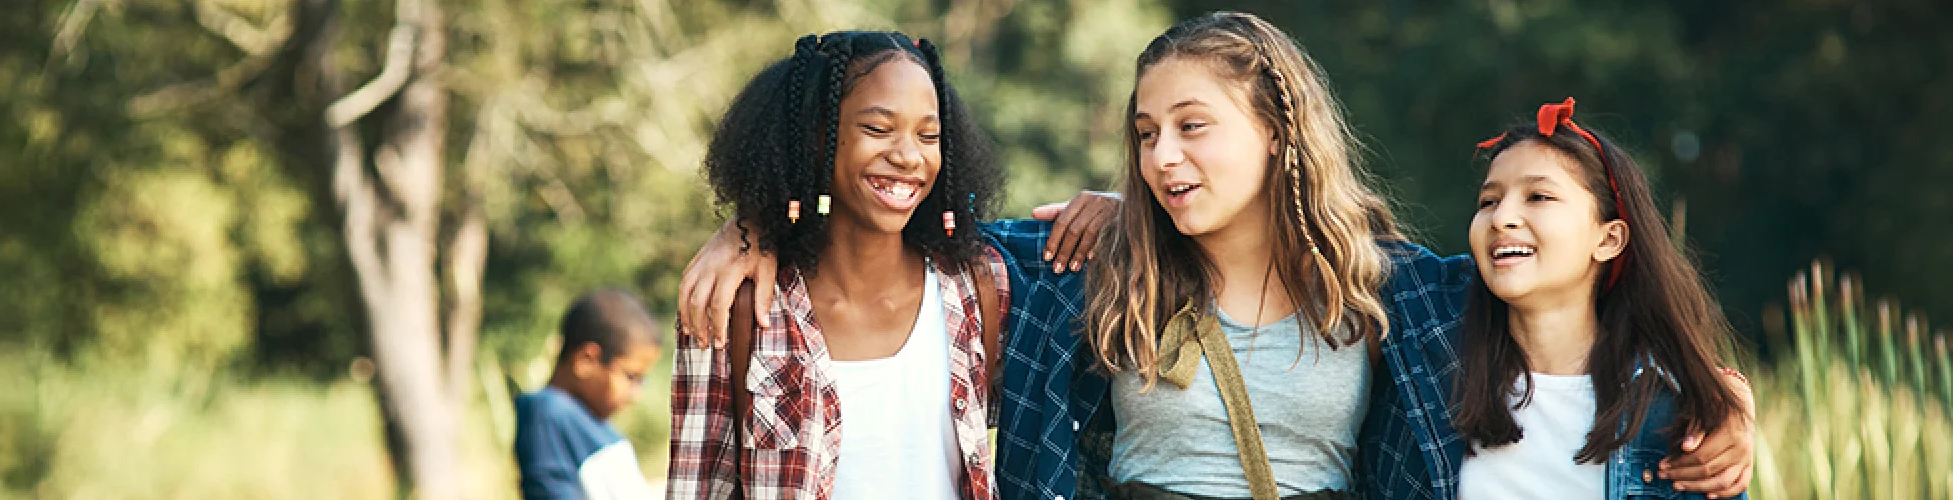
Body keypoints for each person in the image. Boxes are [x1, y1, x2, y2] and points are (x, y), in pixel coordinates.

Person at [673, 12, 1756, 500]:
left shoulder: (1394, 287)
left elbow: (1559, 298)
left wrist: (1719, 394)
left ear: (1276, 127)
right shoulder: (1082, 264)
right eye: (1143, 132)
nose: (1161, 155)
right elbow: (899, 225)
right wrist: (759, 222)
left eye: (1192, 125)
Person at [663, 30, 1011, 500]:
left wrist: (1108, 205)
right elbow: (697, 488)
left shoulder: (977, 286)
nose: (909, 156)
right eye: (877, 128)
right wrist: (744, 227)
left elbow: (1094, 250)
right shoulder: (734, 302)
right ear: (814, 138)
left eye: (928, 135)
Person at [1450, 98, 1748, 499]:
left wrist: (1727, 398)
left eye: (1538, 197)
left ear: (1608, 239)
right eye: (1489, 201)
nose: (1502, 218)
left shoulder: (1676, 419)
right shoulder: (1427, 360)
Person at [514, 289, 663, 500]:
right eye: (631, 377)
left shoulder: (588, 421)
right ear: (586, 361)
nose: (635, 395)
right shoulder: (547, 413)